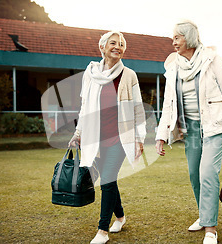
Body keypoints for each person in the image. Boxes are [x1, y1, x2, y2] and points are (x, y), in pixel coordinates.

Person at [155, 21, 222, 244]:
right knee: (194, 175)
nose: (173, 42)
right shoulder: (173, 66)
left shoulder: (212, 59)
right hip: (190, 128)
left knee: (207, 172)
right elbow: (168, 103)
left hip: (215, 125)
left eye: (176, 38)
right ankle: (204, 214)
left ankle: (210, 229)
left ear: (188, 38)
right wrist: (161, 135)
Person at [69, 31, 146, 244]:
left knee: (108, 180)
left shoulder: (129, 75)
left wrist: (140, 138)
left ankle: (102, 230)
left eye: (121, 44)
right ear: (102, 47)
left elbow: (138, 109)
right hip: (96, 138)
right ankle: (120, 216)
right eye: (113, 43)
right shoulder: (90, 73)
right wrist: (78, 134)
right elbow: (85, 106)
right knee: (108, 181)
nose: (118, 47)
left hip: (120, 138)